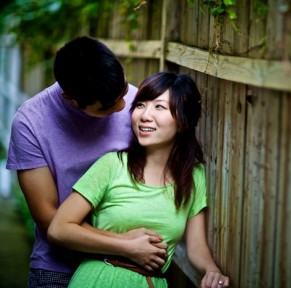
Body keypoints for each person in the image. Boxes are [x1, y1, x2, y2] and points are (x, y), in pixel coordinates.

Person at [6, 36, 166, 287]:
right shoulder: (30, 123)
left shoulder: (140, 105)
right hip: (59, 270)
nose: (123, 106)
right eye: (107, 108)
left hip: (127, 270)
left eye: (124, 91)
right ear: (70, 99)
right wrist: (125, 244)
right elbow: (49, 218)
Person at [47, 71, 230, 288]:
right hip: (98, 278)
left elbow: (196, 246)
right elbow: (58, 228)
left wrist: (211, 271)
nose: (144, 115)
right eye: (141, 105)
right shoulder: (112, 165)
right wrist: (127, 247)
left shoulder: (193, 177)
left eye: (159, 107)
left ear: (183, 120)